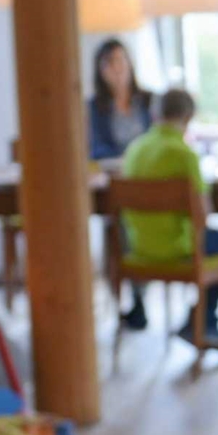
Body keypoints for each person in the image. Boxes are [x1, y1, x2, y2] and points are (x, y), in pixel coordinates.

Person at [122, 88, 218, 349]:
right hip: (178, 249)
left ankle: (197, 322)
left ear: (155, 113)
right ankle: (201, 322)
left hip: (138, 249)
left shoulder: (135, 149)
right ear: (188, 116)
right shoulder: (184, 154)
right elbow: (203, 216)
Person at [87, 38, 155, 330]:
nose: (116, 68)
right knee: (116, 228)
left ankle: (140, 295)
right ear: (100, 70)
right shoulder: (95, 107)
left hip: (148, 179)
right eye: (108, 63)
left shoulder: (148, 101)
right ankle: (125, 299)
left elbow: (157, 139)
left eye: (119, 60)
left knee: (138, 225)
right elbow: (95, 149)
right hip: (114, 179)